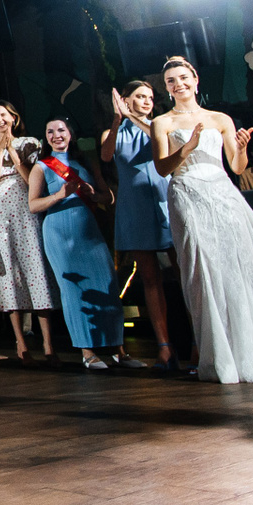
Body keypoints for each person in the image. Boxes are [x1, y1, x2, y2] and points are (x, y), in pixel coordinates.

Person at [153, 56, 253, 385]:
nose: (178, 84)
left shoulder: (219, 118)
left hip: (223, 194)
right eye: (171, 81)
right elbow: (163, 168)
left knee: (241, 267)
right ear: (166, 88)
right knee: (205, 270)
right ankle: (220, 356)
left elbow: (236, 168)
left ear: (196, 79)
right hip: (187, 193)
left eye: (183, 77)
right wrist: (186, 148)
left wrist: (241, 148)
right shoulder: (162, 123)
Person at [29, 117, 128, 369]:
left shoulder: (85, 163)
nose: (56, 135)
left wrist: (94, 194)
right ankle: (87, 352)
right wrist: (59, 195)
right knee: (74, 290)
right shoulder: (42, 167)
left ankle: (119, 351)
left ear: (70, 133)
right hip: (59, 233)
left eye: (61, 130)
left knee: (107, 284)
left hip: (88, 231)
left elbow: (108, 197)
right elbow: (33, 205)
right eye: (50, 131)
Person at [0, 103, 57, 363]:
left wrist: (14, 154)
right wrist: (0, 151)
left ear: (13, 117)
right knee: (8, 271)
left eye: (3, 115)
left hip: (26, 208)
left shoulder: (30, 143)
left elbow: (33, 180)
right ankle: (20, 342)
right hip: (0, 212)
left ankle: (48, 344)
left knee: (36, 269)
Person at [101, 82, 175, 370]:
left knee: (183, 273)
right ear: (125, 100)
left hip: (166, 200)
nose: (146, 101)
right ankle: (164, 346)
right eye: (140, 97)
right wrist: (118, 119)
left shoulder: (160, 125)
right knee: (149, 278)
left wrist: (133, 116)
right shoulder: (114, 131)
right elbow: (106, 155)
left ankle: (197, 341)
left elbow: (161, 142)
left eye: (150, 98)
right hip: (135, 206)